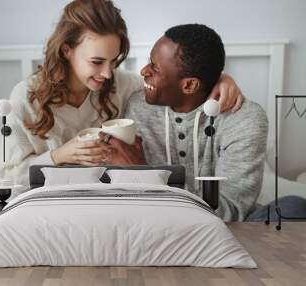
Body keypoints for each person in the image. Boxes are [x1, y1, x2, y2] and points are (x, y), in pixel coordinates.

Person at [1, 0, 243, 186]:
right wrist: (59, 155)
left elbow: (173, 82)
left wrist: (219, 77)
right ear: (67, 51)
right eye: (96, 62)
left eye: (114, 61)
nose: (107, 74)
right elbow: (11, 179)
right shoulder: (26, 97)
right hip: (48, 206)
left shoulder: (123, 85)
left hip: (108, 203)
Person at [100, 24, 268, 221]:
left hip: (222, 232)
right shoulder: (139, 105)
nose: (144, 71)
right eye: (149, 62)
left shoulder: (245, 119)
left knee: (293, 206)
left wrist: (142, 173)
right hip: (153, 220)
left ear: (189, 85)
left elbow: (231, 212)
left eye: (155, 67)